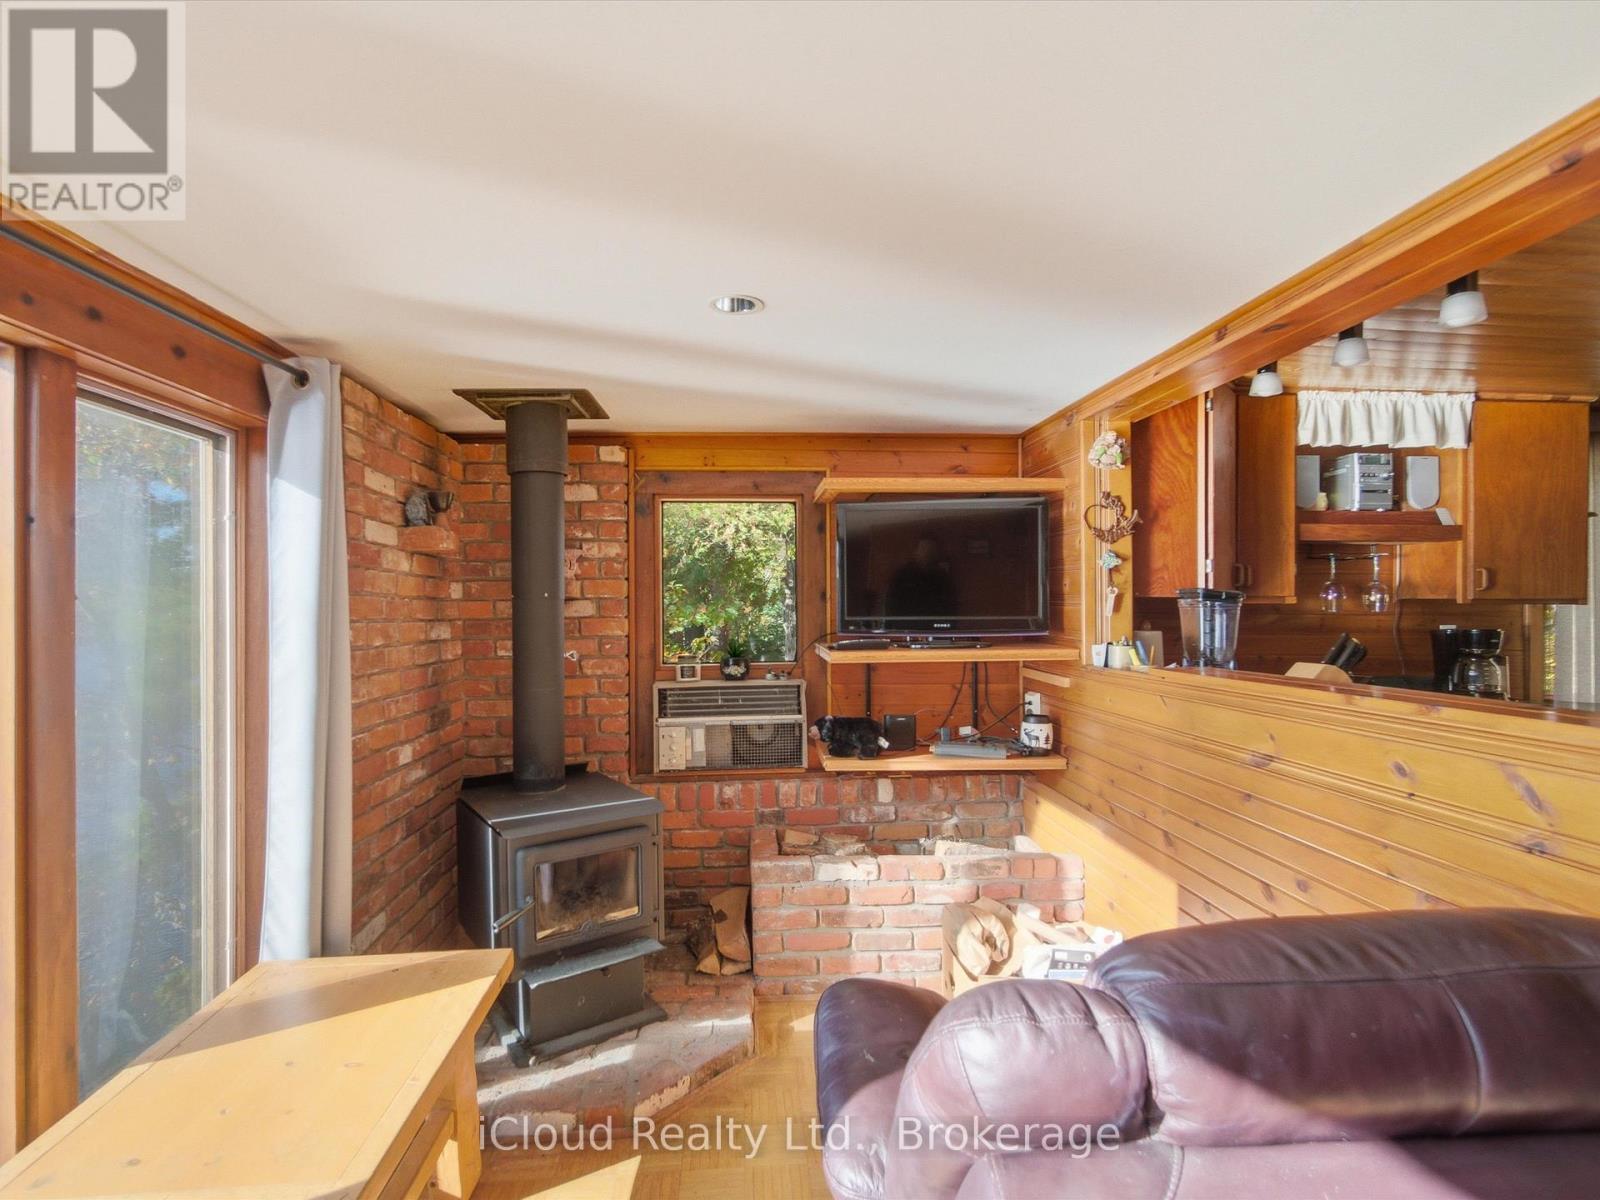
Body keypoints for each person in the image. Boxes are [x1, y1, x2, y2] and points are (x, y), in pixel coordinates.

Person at [886, 536, 956, 618]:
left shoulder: (943, 578)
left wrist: (946, 626)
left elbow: (950, 606)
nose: (927, 552)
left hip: (935, 627)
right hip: (906, 627)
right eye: (924, 549)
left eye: (931, 549)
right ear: (916, 552)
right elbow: (891, 604)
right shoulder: (902, 575)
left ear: (937, 553)